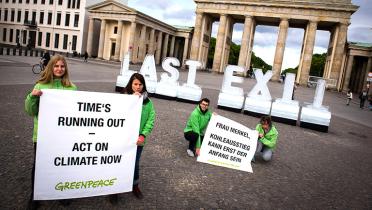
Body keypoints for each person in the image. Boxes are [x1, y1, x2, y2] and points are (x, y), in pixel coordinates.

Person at [25, 54, 77, 210]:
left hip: (62, 137)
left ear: (65, 69)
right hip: (42, 135)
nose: (59, 69)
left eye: (62, 66)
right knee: (39, 166)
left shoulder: (72, 88)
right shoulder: (40, 86)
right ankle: (35, 195)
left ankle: (59, 193)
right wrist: (32, 97)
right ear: (50, 67)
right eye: (56, 66)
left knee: (61, 166)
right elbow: (30, 111)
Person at [110, 73, 155, 203]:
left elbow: (151, 120)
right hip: (122, 139)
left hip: (138, 140)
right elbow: (115, 115)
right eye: (135, 84)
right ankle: (114, 189)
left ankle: (135, 186)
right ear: (131, 84)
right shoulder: (123, 98)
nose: (138, 87)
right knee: (118, 162)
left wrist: (143, 134)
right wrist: (131, 101)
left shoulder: (148, 102)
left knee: (134, 164)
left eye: (140, 85)